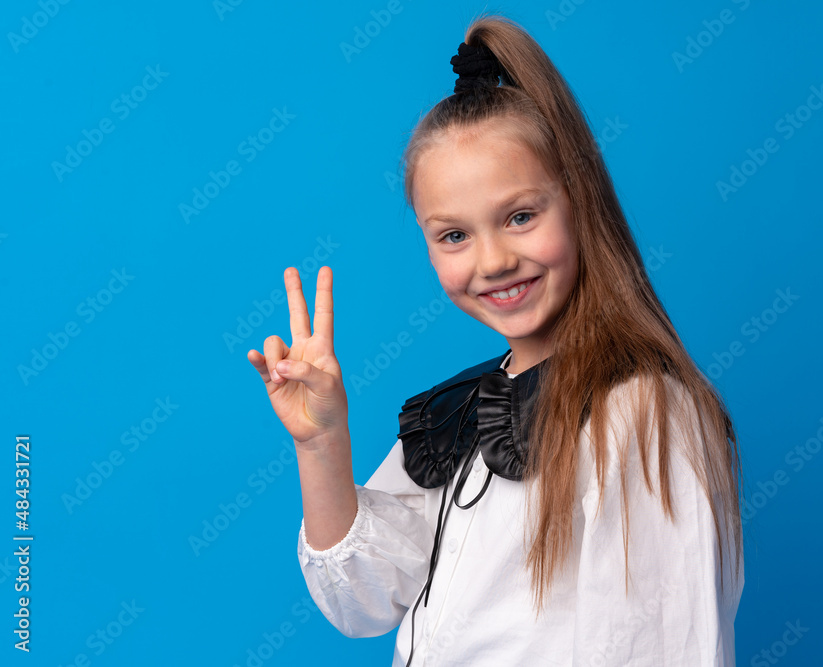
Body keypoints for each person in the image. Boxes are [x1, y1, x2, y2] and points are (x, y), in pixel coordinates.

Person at [247, 13, 744, 666]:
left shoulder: (641, 412)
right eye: (454, 234)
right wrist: (321, 444)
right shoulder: (462, 413)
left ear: (579, 200)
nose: (492, 260)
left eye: (519, 216)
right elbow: (365, 601)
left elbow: (656, 643)